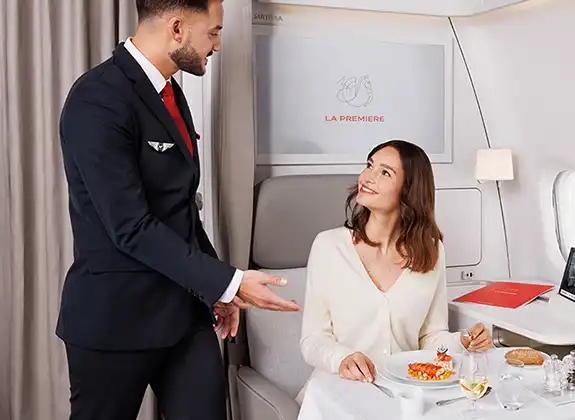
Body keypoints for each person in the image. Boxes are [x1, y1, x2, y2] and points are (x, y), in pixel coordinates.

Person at [57, 1, 301, 419]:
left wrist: (214, 289)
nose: (218, 44)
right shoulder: (98, 98)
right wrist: (229, 281)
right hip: (117, 318)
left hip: (184, 313)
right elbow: (130, 226)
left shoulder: (172, 94)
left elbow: (180, 211)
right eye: (213, 32)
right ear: (176, 27)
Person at [299, 139, 492, 396]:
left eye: (384, 172)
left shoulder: (431, 252)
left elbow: (430, 338)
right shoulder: (329, 246)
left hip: (406, 392)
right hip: (339, 392)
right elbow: (312, 340)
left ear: (408, 190)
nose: (368, 177)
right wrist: (342, 358)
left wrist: (464, 341)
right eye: (369, 165)